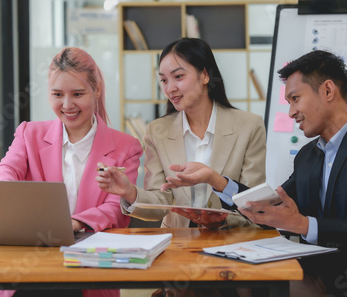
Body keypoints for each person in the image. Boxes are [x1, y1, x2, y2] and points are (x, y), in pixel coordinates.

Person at [161, 50, 347, 296]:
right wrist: (214, 179)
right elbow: (271, 208)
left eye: (295, 99)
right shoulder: (308, 156)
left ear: (328, 90)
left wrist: (303, 224)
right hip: (326, 271)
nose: (290, 112)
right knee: (229, 283)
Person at [0, 47, 143, 297]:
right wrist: (6, 189)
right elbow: (6, 168)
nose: (67, 105)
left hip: (87, 271)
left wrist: (75, 223)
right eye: (57, 94)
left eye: (78, 94)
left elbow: (117, 209)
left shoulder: (126, 147)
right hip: (28, 266)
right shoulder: (29, 134)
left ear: (97, 90)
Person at [96, 37, 266, 230]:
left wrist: (223, 220)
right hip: (178, 245)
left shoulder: (250, 126)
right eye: (163, 80)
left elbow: (254, 203)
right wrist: (129, 192)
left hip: (232, 242)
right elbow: (160, 202)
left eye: (178, 77)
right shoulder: (157, 131)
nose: (170, 88)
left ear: (204, 75)